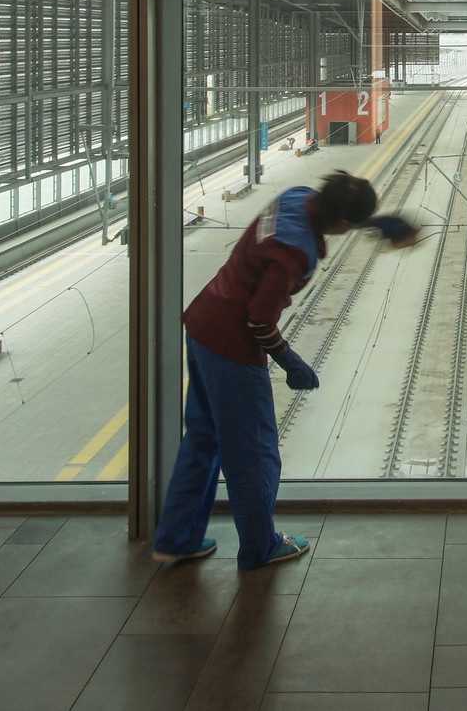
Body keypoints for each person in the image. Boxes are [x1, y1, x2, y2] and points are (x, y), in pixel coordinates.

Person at [153, 170, 421, 568]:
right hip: (232, 348)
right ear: (343, 222)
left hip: (203, 323)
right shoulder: (293, 252)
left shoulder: (297, 197)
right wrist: (291, 362)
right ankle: (260, 547)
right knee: (254, 455)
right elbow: (259, 320)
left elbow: (324, 212)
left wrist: (375, 222)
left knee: (204, 439)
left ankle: (177, 538)